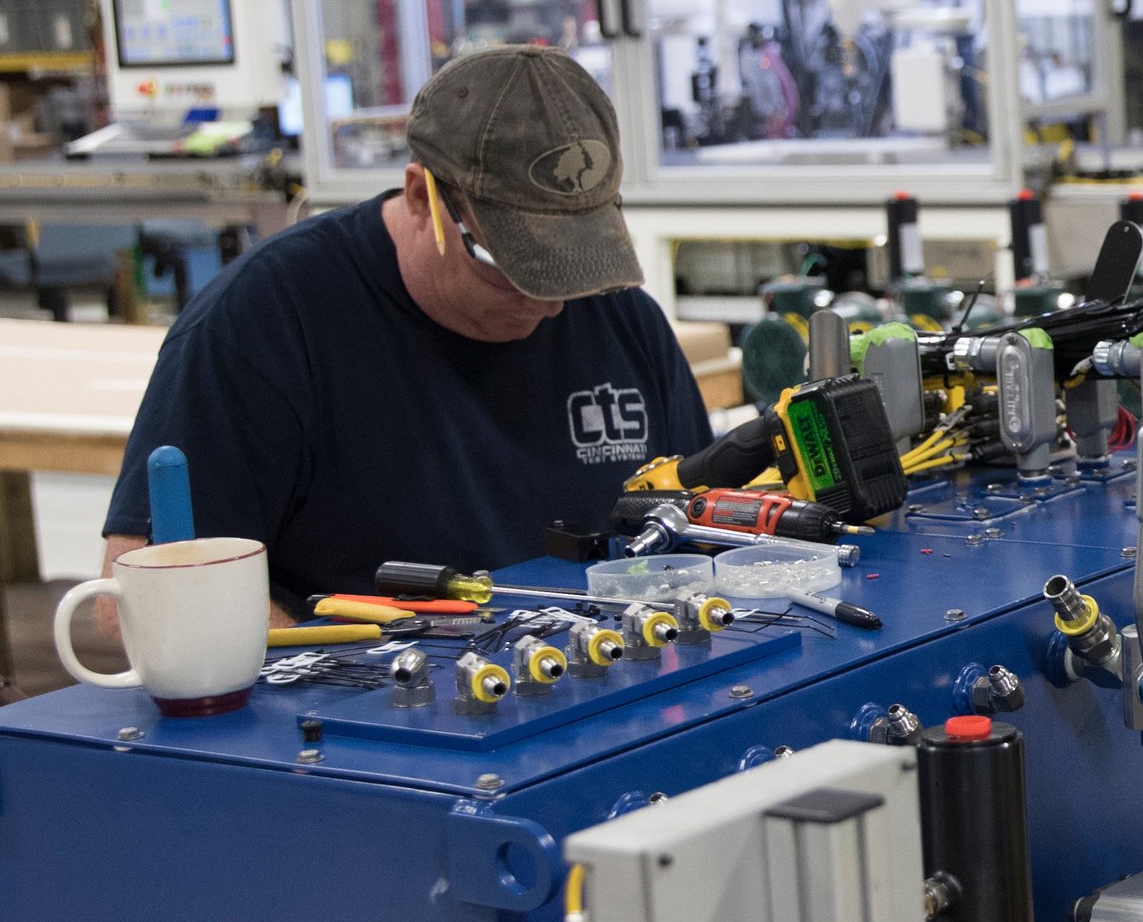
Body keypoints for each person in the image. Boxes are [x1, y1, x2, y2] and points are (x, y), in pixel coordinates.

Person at [100, 44, 714, 614]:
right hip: (358, 703)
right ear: (422, 197)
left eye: (576, 264)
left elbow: (706, 538)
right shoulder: (263, 324)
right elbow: (146, 598)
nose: (551, 304)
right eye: (512, 264)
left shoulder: (622, 319)